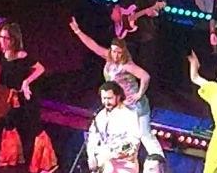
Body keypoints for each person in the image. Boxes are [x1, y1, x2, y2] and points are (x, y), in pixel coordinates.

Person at [70, 17, 163, 158]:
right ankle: (110, 156)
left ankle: (158, 160)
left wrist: (139, 94)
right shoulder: (108, 57)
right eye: (114, 51)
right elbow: (93, 46)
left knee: (144, 135)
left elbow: (145, 76)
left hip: (133, 105)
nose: (116, 55)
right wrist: (77, 31)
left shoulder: (126, 65)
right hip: (120, 104)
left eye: (119, 52)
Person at [0, 22, 58, 173]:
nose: (1, 41)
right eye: (0, 37)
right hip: (11, 97)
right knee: (9, 123)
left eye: (4, 38)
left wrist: (26, 82)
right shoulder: (3, 56)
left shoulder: (22, 56)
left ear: (12, 40)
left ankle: (48, 163)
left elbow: (40, 69)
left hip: (26, 95)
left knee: (35, 126)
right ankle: (11, 156)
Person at [114, 0, 163, 73]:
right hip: (127, 35)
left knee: (145, 68)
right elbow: (119, 4)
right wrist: (115, 11)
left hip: (144, 34)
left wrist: (153, 13)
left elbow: (156, 8)